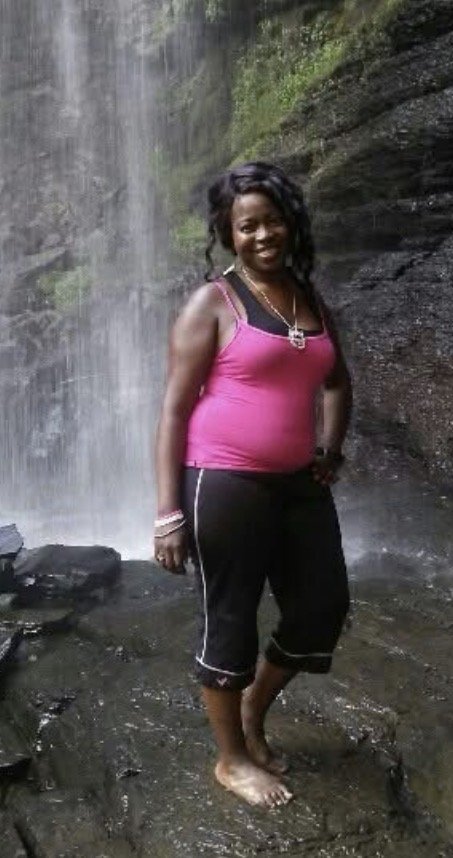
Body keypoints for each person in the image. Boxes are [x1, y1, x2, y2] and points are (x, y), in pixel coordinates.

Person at [154, 161, 352, 808]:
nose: (263, 234)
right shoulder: (211, 303)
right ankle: (231, 760)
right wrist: (166, 514)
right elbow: (174, 411)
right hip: (224, 482)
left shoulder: (307, 297)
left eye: (272, 220)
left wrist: (330, 448)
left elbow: (335, 381)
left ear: (290, 222)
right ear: (226, 233)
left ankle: (249, 710)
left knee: (321, 605)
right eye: (247, 225)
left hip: (299, 481)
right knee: (230, 619)